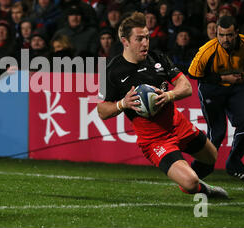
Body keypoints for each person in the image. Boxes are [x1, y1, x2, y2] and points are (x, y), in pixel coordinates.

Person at [97, 12, 228, 198]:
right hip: (155, 140)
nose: (145, 43)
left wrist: (168, 96)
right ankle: (199, 188)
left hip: (178, 125)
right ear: (125, 41)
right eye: (139, 39)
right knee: (191, 183)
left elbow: (186, 87)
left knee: (211, 157)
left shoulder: (158, 58)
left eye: (147, 38)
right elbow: (101, 111)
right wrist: (122, 103)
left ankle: (188, 177)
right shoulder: (111, 71)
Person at [188, 16, 244, 182]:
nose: (225, 39)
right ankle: (200, 169)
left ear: (237, 33)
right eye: (221, 35)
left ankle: (234, 162)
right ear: (216, 33)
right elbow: (193, 74)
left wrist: (242, 82)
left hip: (235, 89)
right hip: (211, 90)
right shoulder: (206, 51)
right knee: (217, 132)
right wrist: (224, 79)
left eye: (229, 35)